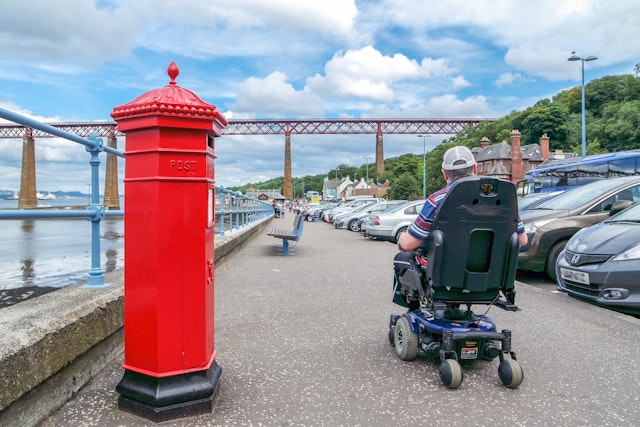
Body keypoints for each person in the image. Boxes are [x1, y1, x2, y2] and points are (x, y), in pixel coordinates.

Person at [397, 145, 528, 253]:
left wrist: (402, 238)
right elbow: (522, 240)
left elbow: (409, 244)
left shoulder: (437, 200)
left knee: (401, 260)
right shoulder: (505, 200)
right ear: (475, 168)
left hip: (443, 275)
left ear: (444, 173)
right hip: (494, 276)